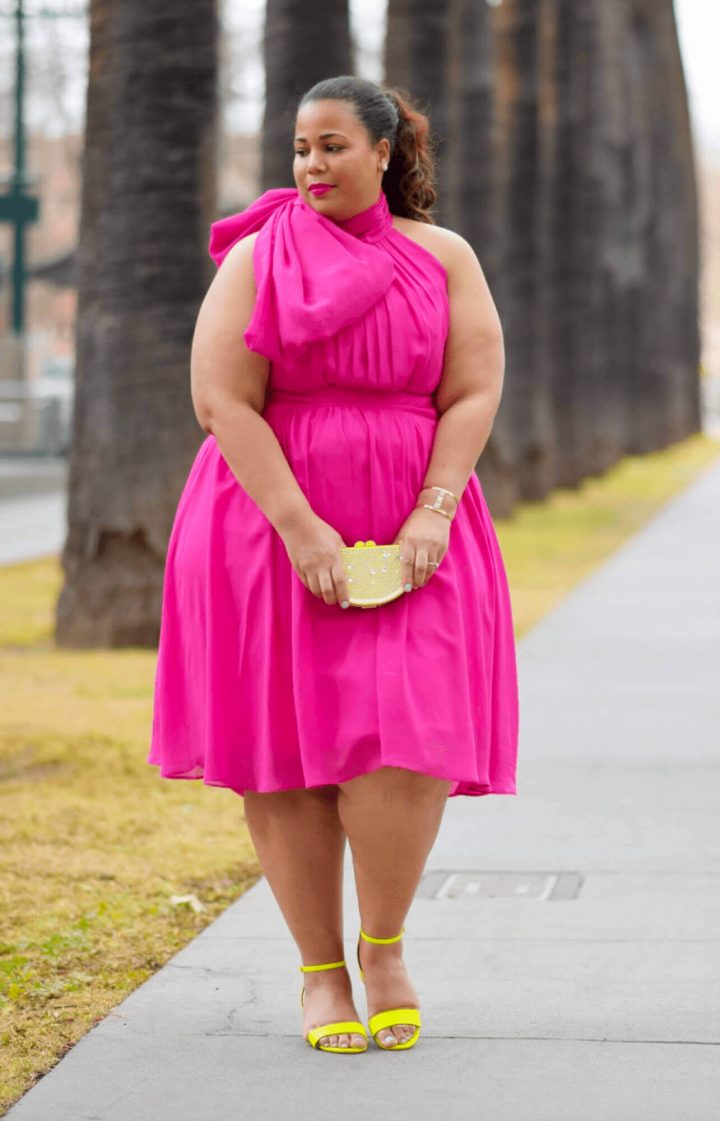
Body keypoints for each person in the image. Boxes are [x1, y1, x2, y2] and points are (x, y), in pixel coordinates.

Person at [147, 74, 519, 1054]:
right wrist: (302, 530)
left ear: (386, 152)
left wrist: (434, 511)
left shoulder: (443, 258)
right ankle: (321, 971)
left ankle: (385, 943)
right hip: (263, 527)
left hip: (417, 525)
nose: (311, 165)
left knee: (408, 734)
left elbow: (474, 388)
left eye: (332, 146)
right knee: (283, 752)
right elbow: (223, 399)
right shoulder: (258, 257)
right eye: (301, 148)